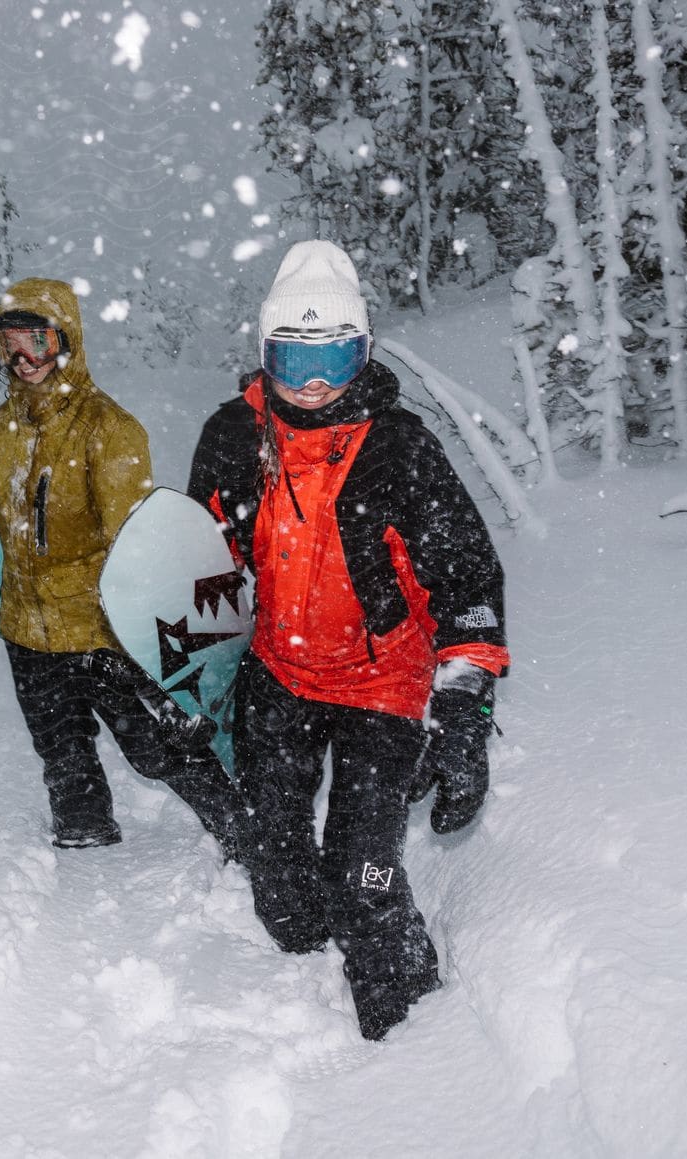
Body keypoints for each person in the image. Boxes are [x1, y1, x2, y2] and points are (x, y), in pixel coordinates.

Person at [187, 241, 509, 1041]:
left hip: (382, 684)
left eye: (334, 356)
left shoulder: (400, 447)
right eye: (295, 362)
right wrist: (189, 673)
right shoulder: (234, 437)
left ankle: (412, 1041)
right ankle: (305, 925)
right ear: (267, 357)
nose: (316, 382)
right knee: (283, 886)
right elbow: (201, 567)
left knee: (364, 874)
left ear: (362, 351)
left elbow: (467, 579)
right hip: (279, 672)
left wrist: (464, 710)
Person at [0, 277, 260, 867]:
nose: (25, 359)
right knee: (58, 744)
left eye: (38, 341)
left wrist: (147, 646)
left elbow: (136, 543)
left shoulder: (109, 429)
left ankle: (246, 835)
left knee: (157, 749)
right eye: (10, 344)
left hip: (101, 628)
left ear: (67, 341)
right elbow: (17, 531)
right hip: (29, 628)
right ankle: (85, 843)